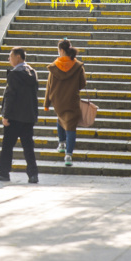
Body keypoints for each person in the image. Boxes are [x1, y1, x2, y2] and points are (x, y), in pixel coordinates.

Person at [0, 47, 40, 183]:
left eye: (11, 56)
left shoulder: (14, 74)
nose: (9, 59)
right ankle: (33, 175)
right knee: (28, 147)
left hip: (13, 117)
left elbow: (10, 96)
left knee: (7, 146)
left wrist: (5, 115)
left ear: (18, 57)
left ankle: (4, 173)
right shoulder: (32, 73)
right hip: (28, 117)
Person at [44, 39, 86, 167]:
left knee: (61, 118)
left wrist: (46, 104)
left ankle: (61, 143)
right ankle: (68, 155)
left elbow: (49, 86)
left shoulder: (54, 66)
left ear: (61, 50)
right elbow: (82, 84)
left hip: (58, 101)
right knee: (71, 127)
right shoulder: (77, 66)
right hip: (72, 101)